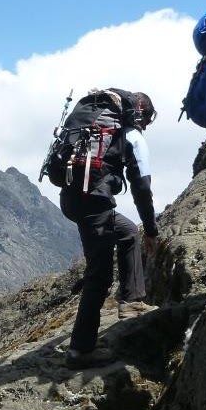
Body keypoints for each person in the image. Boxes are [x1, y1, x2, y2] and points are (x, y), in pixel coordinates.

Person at [60, 89, 160, 369]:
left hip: (71, 197)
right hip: (93, 202)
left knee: (127, 231)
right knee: (99, 275)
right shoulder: (131, 135)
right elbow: (142, 189)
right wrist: (152, 230)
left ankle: (131, 300)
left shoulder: (92, 124)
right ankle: (80, 351)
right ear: (140, 115)